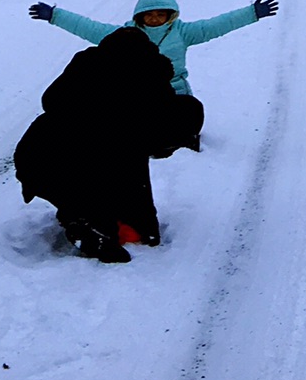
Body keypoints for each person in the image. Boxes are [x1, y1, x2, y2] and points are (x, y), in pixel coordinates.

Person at [28, 0, 279, 155]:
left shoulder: (182, 32)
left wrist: (251, 13)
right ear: (141, 14)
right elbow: (90, 28)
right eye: (150, 14)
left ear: (170, 14)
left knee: (191, 112)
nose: (155, 19)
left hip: (175, 92)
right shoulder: (126, 34)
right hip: (139, 95)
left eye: (161, 14)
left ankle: (180, 140)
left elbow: (214, 26)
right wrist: (56, 16)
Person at [13, 24, 187, 262]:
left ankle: (80, 218)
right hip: (78, 158)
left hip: (36, 155)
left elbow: (50, 100)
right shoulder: (149, 75)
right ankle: (89, 225)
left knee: (84, 187)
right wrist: (147, 228)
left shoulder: (87, 64)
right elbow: (145, 156)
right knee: (108, 182)